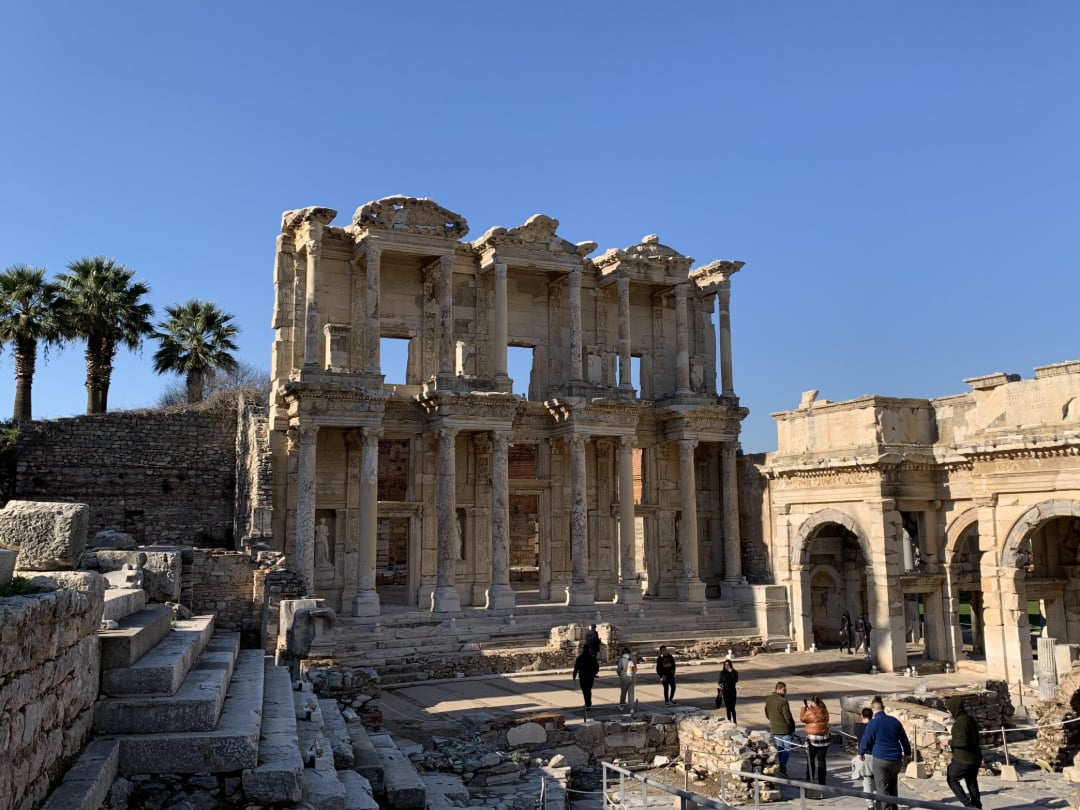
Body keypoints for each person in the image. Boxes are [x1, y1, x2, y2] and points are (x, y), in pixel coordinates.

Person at [857, 697, 912, 810]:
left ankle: (886, 808)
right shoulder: (894, 721)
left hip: (881, 758)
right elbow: (904, 739)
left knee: (882, 787)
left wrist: (861, 752)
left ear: (873, 710)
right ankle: (894, 806)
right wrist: (907, 753)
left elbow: (866, 739)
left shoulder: (873, 723)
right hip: (896, 759)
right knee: (892, 784)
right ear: (884, 708)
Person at [945, 696, 982, 809]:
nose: (948, 711)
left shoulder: (959, 723)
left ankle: (968, 805)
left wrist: (948, 742)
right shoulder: (969, 719)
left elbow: (962, 742)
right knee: (971, 781)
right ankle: (977, 806)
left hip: (963, 759)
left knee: (952, 778)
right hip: (975, 758)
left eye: (949, 708)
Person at [800, 694, 831, 797]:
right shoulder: (824, 710)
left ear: (813, 702)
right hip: (824, 738)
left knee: (811, 759)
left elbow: (803, 718)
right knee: (822, 760)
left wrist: (804, 708)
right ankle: (822, 780)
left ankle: (810, 777)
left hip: (813, 738)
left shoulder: (811, 711)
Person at [764, 681, 796, 778]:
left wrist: (773, 721)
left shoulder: (769, 699)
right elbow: (788, 717)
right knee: (786, 749)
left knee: (780, 749)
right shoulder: (783, 701)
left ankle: (780, 767)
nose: (785, 691)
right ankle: (782, 768)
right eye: (784, 690)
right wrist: (792, 725)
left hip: (775, 728)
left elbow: (766, 712)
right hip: (785, 729)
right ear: (778, 689)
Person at [851, 707, 875, 810]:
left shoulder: (857, 727)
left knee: (867, 781)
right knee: (877, 781)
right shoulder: (875, 726)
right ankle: (878, 802)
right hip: (877, 755)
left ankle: (870, 805)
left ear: (862, 715)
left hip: (865, 756)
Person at [572, 645, 600, 714]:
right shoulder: (592, 658)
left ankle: (587, 704)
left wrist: (574, 676)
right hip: (590, 677)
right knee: (589, 690)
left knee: (585, 691)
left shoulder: (579, 658)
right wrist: (594, 673)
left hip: (582, 677)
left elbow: (576, 668)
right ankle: (588, 704)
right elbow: (597, 666)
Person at [616, 647, 637, 711]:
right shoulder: (632, 659)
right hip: (632, 676)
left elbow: (619, 669)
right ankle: (631, 707)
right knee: (631, 692)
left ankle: (622, 705)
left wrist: (619, 674)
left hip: (624, 676)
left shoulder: (622, 659)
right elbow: (635, 668)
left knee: (623, 692)